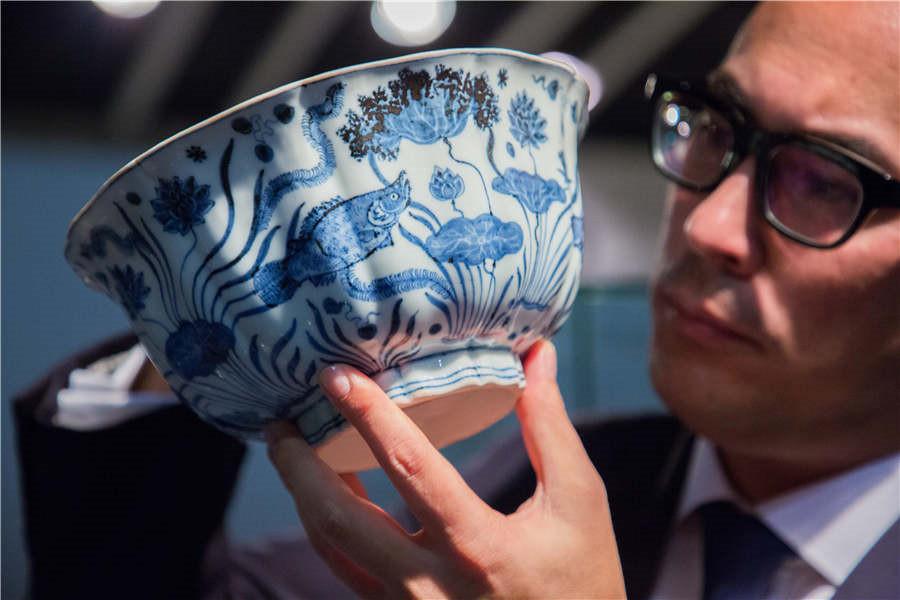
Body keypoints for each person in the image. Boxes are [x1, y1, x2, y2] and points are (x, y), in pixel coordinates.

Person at [13, 2, 899, 598]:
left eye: (825, 182)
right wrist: (209, 299)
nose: (707, 227)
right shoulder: (537, 486)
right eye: (717, 126)